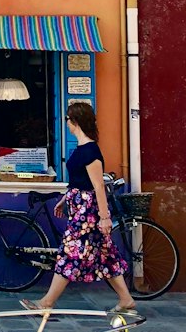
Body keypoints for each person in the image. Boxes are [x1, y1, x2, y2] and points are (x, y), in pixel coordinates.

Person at [23, 102, 140, 315]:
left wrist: (104, 218)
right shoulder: (82, 149)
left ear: (75, 121)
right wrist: (65, 199)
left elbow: (97, 186)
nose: (66, 123)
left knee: (70, 252)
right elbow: (79, 182)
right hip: (80, 208)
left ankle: (46, 303)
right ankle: (126, 299)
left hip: (88, 213)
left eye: (68, 119)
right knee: (105, 254)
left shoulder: (90, 152)